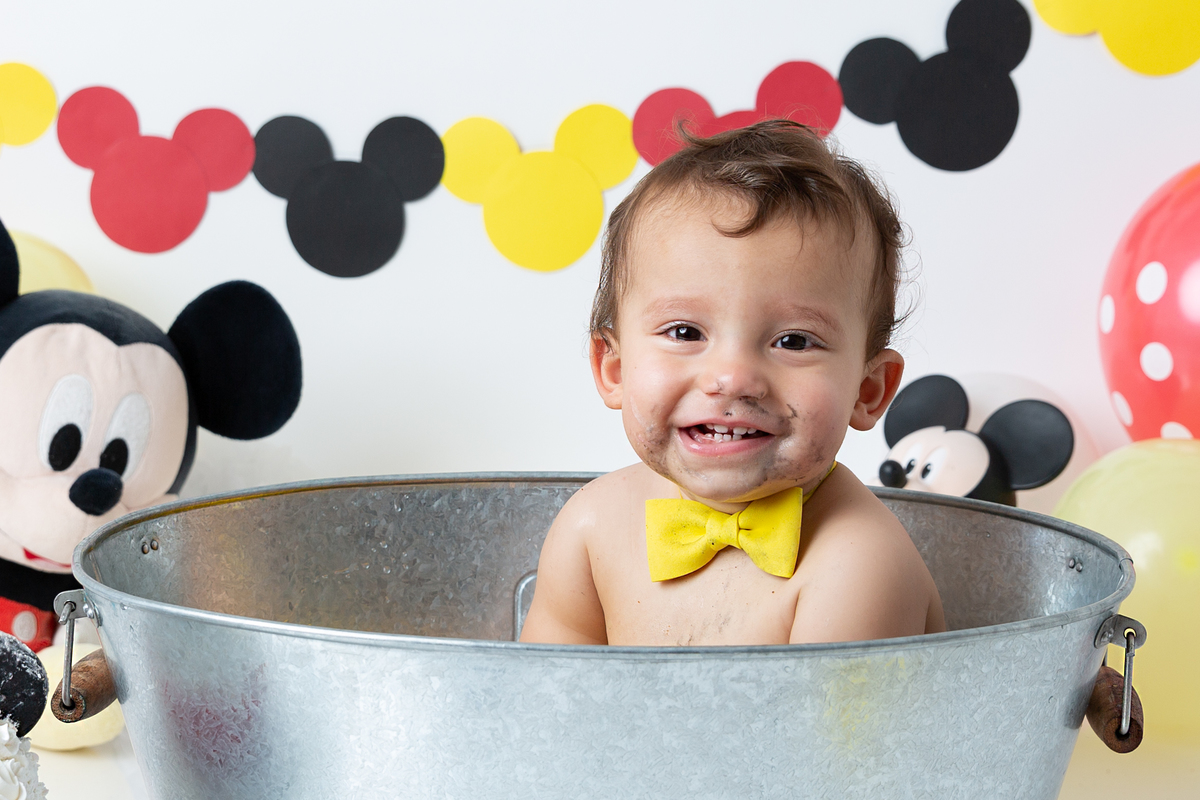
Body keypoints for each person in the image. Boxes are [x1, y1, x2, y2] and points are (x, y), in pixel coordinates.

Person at [520, 120, 945, 646]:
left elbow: (822, 733)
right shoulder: (591, 528)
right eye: (685, 331)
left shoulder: (858, 565)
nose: (732, 378)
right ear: (614, 370)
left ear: (868, 390)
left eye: (793, 341)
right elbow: (543, 709)